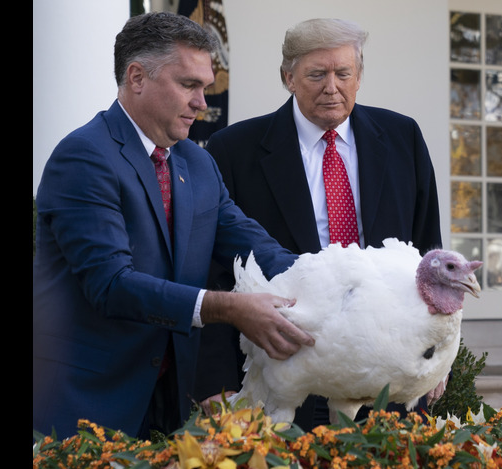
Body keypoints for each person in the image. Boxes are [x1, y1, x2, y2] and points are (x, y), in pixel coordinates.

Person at [33, 12, 314, 440]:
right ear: (137, 77)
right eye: (189, 85)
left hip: (168, 408)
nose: (203, 102)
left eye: (205, 86)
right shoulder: (84, 157)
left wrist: (332, 280)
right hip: (83, 407)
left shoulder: (197, 162)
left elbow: (253, 244)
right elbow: (111, 285)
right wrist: (230, 309)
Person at [194, 18, 443, 430]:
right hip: (284, 371)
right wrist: (217, 382)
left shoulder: (403, 138)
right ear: (288, 77)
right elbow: (217, 271)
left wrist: (433, 356)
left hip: (387, 372)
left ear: (359, 76)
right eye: (316, 74)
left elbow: (427, 254)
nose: (332, 87)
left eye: (343, 73)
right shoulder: (233, 151)